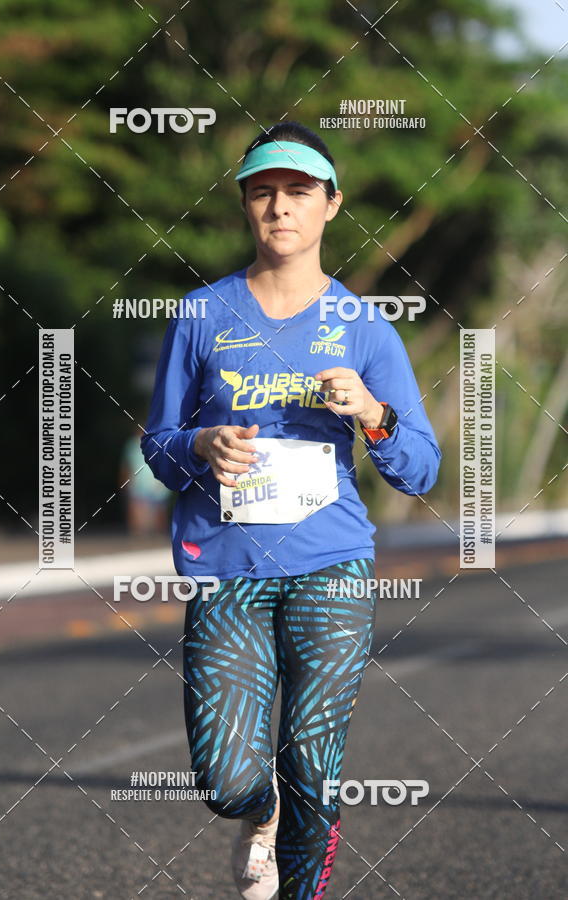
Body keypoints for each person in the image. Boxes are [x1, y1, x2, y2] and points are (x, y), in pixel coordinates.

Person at [141, 121, 441, 900]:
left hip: (330, 564)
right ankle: (259, 813)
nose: (280, 208)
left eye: (299, 193)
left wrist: (374, 415)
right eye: (264, 192)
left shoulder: (365, 326)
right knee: (226, 776)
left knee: (314, 764)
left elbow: (421, 470)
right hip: (225, 564)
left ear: (331, 205)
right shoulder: (201, 314)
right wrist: (202, 444)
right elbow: (158, 445)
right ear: (246, 204)